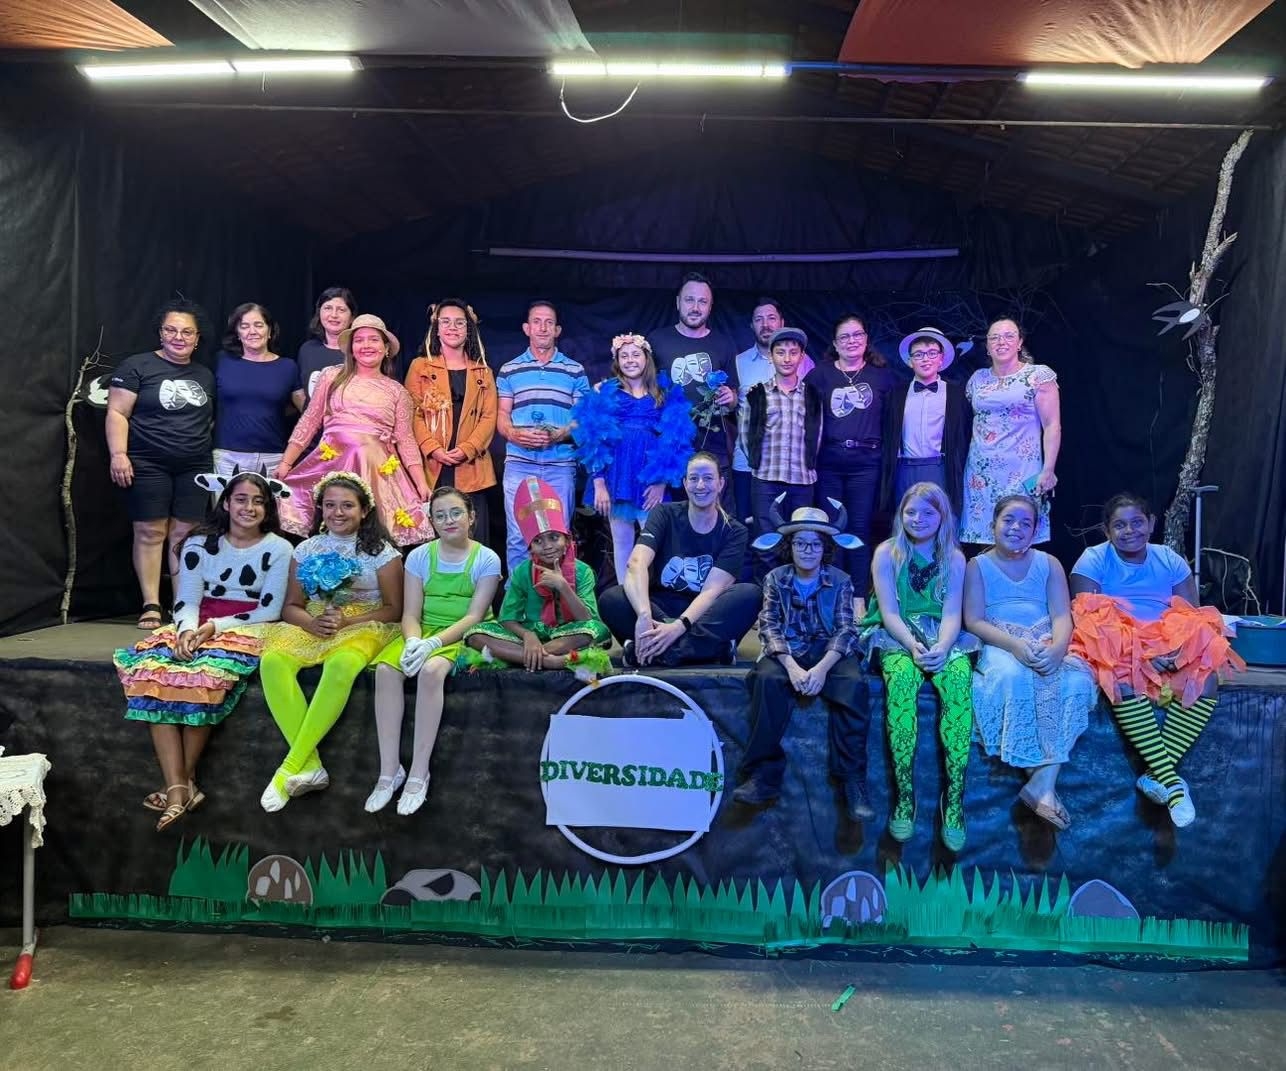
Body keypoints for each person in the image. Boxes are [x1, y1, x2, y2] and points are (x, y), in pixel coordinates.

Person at [114, 471, 292, 831]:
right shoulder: (198, 544)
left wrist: (215, 629)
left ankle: (177, 787)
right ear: (225, 503)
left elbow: (270, 609)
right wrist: (185, 631)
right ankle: (182, 786)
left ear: (268, 508)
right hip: (197, 623)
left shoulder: (279, 548)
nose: (249, 507)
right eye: (241, 499)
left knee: (201, 678)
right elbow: (188, 599)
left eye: (258, 501)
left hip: (246, 627)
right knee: (155, 677)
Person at [1068, 493, 1244, 828]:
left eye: (1137, 522)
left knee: (1206, 677)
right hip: (1116, 644)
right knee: (1121, 677)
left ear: (1151, 523)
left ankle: (1155, 774)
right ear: (1107, 530)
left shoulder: (1168, 559)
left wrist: (1178, 648)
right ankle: (1172, 783)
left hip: (1167, 641)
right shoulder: (1093, 559)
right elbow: (1087, 618)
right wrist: (1141, 651)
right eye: (1119, 525)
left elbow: (1191, 614)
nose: (1129, 531)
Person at [258, 472, 404, 812]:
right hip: (314, 621)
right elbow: (290, 606)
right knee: (272, 661)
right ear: (320, 509)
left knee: (342, 664)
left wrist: (347, 621)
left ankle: (289, 768)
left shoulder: (382, 552)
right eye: (330, 505)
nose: (338, 512)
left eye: (347, 506)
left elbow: (394, 609)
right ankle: (310, 764)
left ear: (364, 510)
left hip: (365, 624)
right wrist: (312, 623)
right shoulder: (306, 549)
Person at [732, 503, 872, 821]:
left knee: (854, 685)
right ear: (790, 546)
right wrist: (792, 666)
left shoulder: (840, 580)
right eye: (800, 543)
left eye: (815, 544)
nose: (807, 550)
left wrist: (821, 669)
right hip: (788, 650)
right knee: (766, 680)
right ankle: (763, 776)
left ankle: (852, 780)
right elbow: (769, 625)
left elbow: (846, 629)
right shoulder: (775, 578)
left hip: (829, 652)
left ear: (825, 548)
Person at [963, 494, 1095, 831]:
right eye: (1008, 520)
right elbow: (974, 620)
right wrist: (1014, 646)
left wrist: (1059, 648)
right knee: (1012, 677)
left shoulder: (1048, 563)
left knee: (1077, 680)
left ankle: (1042, 786)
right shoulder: (977, 566)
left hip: (1044, 638)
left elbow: (1062, 615)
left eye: (1026, 523)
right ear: (993, 524)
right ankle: (1042, 786)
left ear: (1035, 531)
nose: (1016, 528)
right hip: (1001, 640)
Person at [367, 488, 502, 815]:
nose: (448, 520)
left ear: (471, 517)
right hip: (423, 631)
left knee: (431, 671)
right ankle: (389, 771)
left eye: (456, 513)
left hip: (464, 635)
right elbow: (411, 614)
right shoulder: (418, 557)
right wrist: (414, 641)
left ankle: (419, 771)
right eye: (440, 515)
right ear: (431, 522)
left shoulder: (486, 558)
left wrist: (434, 645)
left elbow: (474, 616)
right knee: (386, 670)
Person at [862, 482, 976, 849]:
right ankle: (904, 796)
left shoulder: (954, 558)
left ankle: (954, 800)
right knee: (900, 684)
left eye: (927, 512)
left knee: (958, 682)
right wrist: (911, 645)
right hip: (897, 634)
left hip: (941, 634)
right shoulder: (887, 553)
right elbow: (890, 611)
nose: (918, 519)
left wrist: (942, 646)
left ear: (942, 517)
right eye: (910, 512)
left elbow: (952, 612)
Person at [273, 314, 433, 546]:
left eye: (373, 340)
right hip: (330, 466)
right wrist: (286, 463)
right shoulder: (331, 377)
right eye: (359, 340)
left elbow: (405, 440)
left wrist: (420, 483)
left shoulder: (397, 391)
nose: (366, 345)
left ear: (386, 348)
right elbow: (309, 421)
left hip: (376, 474)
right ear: (351, 349)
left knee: (369, 539)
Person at [107, 298, 216, 630]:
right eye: (171, 330)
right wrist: (118, 454)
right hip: (147, 462)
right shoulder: (136, 366)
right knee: (150, 530)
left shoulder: (205, 374)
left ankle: (183, 604)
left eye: (187, 332)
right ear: (160, 333)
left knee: (186, 534)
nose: (178, 337)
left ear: (197, 338)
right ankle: (151, 603)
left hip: (195, 464)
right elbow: (117, 412)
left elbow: (209, 420)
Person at [599, 452, 762, 668]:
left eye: (708, 478)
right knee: (611, 598)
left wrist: (678, 626)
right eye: (693, 478)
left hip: (703, 614)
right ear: (685, 484)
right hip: (659, 610)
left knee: (750, 595)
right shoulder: (663, 513)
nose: (700, 485)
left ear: (720, 484)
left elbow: (711, 591)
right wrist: (644, 614)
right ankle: (709, 651)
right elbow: (636, 564)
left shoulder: (734, 531)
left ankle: (651, 652)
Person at [571, 332, 692, 584]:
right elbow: (594, 439)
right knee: (622, 542)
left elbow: (675, 440)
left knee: (654, 542)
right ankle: (625, 597)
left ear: (647, 358)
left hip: (650, 478)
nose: (630, 360)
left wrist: (661, 482)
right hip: (618, 476)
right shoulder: (607, 393)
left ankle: (652, 596)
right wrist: (599, 483)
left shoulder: (663, 393)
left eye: (635, 354)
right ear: (617, 362)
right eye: (623, 356)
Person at [463, 476, 612, 676]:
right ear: (530, 547)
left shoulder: (582, 571)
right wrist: (528, 636)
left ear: (567, 540)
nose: (548, 546)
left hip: (566, 635)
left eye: (554, 538)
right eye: (538, 541)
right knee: (475, 634)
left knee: (596, 631)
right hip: (529, 636)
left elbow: (586, 619)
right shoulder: (523, 571)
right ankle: (551, 662)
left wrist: (563, 586)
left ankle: (523, 658)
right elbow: (507, 619)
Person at [806, 313, 896, 601]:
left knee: (859, 528)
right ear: (835, 343)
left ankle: (858, 597)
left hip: (866, 464)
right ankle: (834, 596)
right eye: (844, 337)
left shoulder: (882, 376)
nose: (851, 341)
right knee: (833, 528)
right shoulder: (820, 375)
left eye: (857, 335)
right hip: (829, 463)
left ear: (866, 339)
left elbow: (892, 422)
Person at [495, 300, 589, 572]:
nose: (543, 327)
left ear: (557, 330)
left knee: (559, 535)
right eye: (537, 321)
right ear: (527, 328)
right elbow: (501, 414)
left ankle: (558, 594)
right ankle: (518, 596)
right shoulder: (510, 369)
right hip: (520, 464)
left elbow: (583, 418)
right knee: (518, 536)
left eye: (549, 322)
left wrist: (562, 433)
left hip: (560, 464)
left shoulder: (574, 370)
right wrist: (514, 434)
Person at [404, 299, 497, 551]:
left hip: (471, 467)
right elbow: (412, 413)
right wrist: (432, 448)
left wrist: (468, 448)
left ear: (469, 329)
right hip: (433, 466)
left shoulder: (483, 372)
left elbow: (489, 417)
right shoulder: (420, 366)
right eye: (445, 322)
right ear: (436, 328)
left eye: (459, 323)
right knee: (433, 542)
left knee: (473, 541)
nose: (452, 327)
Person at [960, 318, 1061, 545]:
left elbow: (1052, 425)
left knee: (1019, 536)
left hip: (1022, 470)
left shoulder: (1038, 376)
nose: (1001, 342)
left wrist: (1048, 469)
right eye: (994, 337)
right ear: (987, 346)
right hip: (980, 473)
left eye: (1008, 336)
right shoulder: (977, 379)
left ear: (1020, 342)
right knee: (983, 540)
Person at [647, 273, 739, 497]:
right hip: (668, 446)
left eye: (702, 301)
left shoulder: (724, 343)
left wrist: (731, 398)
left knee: (712, 511)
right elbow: (638, 385)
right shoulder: (657, 340)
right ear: (678, 302)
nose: (696, 307)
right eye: (689, 300)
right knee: (673, 511)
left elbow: (734, 398)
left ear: (710, 307)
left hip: (712, 444)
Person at [745, 327, 822, 579]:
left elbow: (818, 435)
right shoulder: (757, 394)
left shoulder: (812, 395)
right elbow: (746, 436)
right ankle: (768, 595)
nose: (787, 358)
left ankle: (796, 594)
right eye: (780, 352)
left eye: (793, 352)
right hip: (766, 479)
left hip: (802, 480)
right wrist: (759, 462)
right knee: (766, 543)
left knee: (800, 542)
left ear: (802, 356)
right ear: (771, 356)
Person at [733, 298, 815, 524]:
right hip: (757, 469)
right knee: (758, 528)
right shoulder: (739, 362)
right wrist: (758, 459)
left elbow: (815, 427)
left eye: (771, 318)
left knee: (796, 530)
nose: (765, 324)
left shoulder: (807, 365)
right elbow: (742, 426)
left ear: (781, 321)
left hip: (798, 473)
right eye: (759, 319)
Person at [883, 326, 969, 523]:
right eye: (919, 354)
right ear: (910, 361)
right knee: (906, 523)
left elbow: (963, 437)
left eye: (932, 353)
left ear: (941, 359)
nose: (925, 359)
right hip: (904, 468)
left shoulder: (956, 395)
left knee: (941, 522)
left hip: (939, 468)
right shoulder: (896, 395)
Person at [212, 302, 298, 478]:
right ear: (237, 333)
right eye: (244, 326)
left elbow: (308, 411)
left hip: (273, 458)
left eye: (258, 325)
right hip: (227, 456)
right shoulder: (222, 361)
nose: (252, 331)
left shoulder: (288, 366)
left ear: (270, 330)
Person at [294, 286, 356, 410]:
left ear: (352, 317)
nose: (334, 315)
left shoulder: (359, 351)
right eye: (328, 308)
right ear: (319, 313)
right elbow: (298, 390)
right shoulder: (307, 349)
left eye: (341, 310)